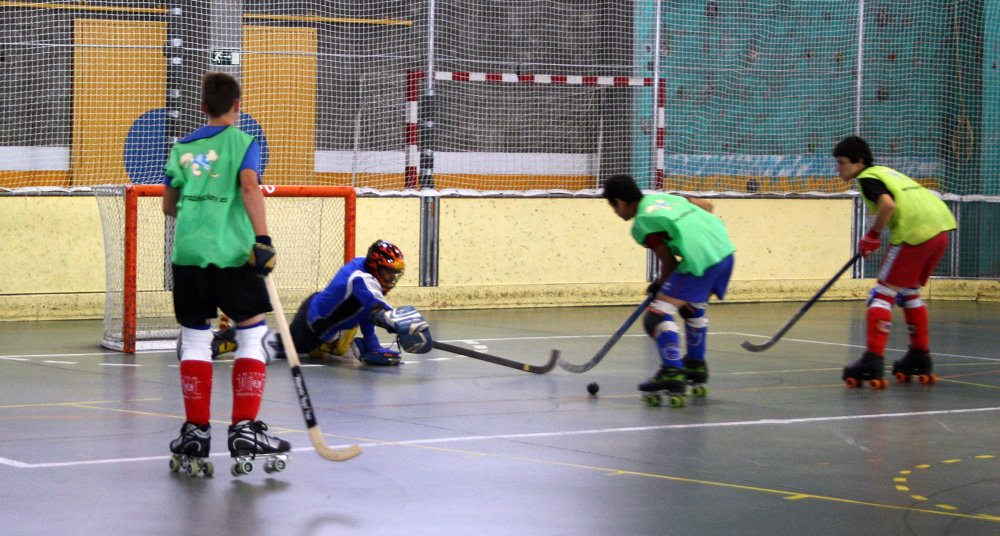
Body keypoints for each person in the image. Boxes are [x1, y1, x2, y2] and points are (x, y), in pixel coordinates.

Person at [163, 72, 289, 473]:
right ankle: (245, 429)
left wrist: (199, 209)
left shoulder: (181, 147)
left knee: (195, 339)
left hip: (188, 254)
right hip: (232, 255)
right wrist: (263, 239)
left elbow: (168, 205)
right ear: (238, 105)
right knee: (251, 333)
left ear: (202, 106)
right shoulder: (243, 142)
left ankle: (196, 432)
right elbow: (249, 187)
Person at [602, 174, 736, 407]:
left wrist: (659, 286)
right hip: (724, 253)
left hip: (702, 261)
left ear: (620, 202)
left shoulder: (642, 224)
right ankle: (695, 365)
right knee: (690, 306)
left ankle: (672, 372)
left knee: (656, 316)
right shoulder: (665, 199)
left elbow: (669, 263)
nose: (615, 212)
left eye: (613, 207)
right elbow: (708, 206)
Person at [833, 136, 957, 386]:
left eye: (842, 162)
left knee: (882, 294)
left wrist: (872, 236)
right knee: (909, 292)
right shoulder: (886, 172)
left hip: (915, 234)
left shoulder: (867, 177)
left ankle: (872, 360)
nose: (839, 169)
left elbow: (887, 205)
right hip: (941, 230)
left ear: (859, 161)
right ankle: (919, 357)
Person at [265, 240, 433, 366]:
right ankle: (251, 337)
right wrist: (404, 327)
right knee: (287, 347)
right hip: (312, 325)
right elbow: (381, 313)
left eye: (394, 273)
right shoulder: (361, 280)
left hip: (325, 313)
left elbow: (366, 310)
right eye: (389, 272)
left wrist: (373, 345)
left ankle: (337, 344)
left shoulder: (365, 266)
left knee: (362, 312)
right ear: (376, 266)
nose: (392, 277)